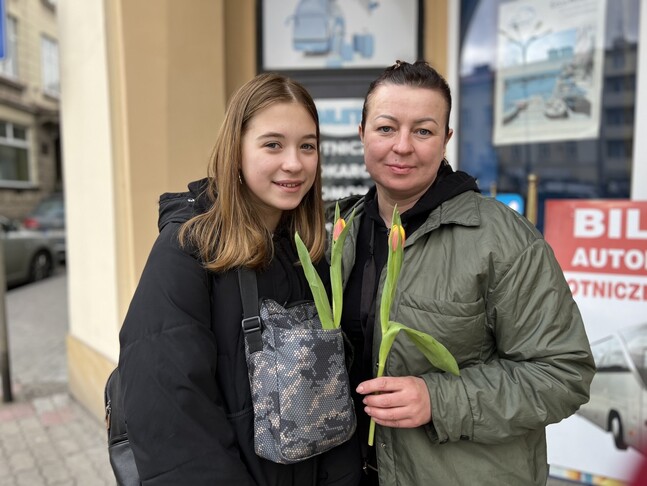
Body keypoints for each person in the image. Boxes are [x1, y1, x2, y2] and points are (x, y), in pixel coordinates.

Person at [334, 60, 596, 485]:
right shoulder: (342, 233)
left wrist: (438, 399)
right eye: (386, 128)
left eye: (423, 130)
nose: (402, 146)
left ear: (446, 140)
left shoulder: (500, 238)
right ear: (362, 133)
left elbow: (563, 373)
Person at [118, 72, 361, 485]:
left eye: (308, 146)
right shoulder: (189, 252)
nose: (294, 163)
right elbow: (172, 416)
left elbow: (328, 404)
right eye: (273, 144)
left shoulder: (312, 252)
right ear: (235, 151)